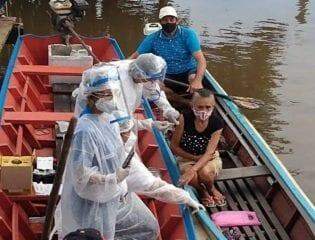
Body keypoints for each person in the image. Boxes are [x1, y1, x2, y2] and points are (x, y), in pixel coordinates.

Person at [60, 68, 159, 240]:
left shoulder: (108, 118)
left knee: (149, 227)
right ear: (92, 97)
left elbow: (116, 149)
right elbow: (81, 173)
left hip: (114, 193)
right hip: (93, 201)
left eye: (112, 93)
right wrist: (109, 179)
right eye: (106, 94)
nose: (111, 98)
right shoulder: (85, 130)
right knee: (100, 236)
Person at [113, 110, 205, 214]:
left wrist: (150, 124)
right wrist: (186, 198)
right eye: (126, 132)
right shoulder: (125, 162)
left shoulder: (100, 137)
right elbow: (155, 187)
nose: (129, 134)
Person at [130, 6, 207, 106]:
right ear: (160, 22)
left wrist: (197, 81)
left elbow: (201, 60)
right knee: (155, 87)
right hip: (166, 74)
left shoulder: (188, 34)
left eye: (171, 19)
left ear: (177, 20)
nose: (169, 22)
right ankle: (186, 103)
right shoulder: (152, 38)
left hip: (188, 70)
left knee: (193, 78)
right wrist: (120, 65)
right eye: (165, 20)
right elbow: (135, 57)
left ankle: (198, 101)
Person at [73, 53, 180, 124]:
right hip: (96, 114)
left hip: (113, 115)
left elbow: (154, 92)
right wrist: (149, 125)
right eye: (151, 79)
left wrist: (168, 110)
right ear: (141, 75)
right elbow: (117, 122)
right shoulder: (117, 85)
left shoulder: (140, 69)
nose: (153, 83)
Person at [170, 89, 226, 207]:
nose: (204, 111)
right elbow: (174, 147)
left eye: (208, 107)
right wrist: (193, 159)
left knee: (204, 173)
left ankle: (211, 188)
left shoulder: (217, 123)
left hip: (209, 158)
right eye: (200, 107)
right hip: (185, 157)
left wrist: (194, 168)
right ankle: (202, 191)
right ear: (192, 105)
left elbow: (210, 152)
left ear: (213, 107)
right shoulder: (184, 118)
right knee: (192, 177)